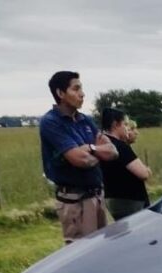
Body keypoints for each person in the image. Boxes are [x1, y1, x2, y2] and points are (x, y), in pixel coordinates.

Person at [39, 71, 119, 243]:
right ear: (60, 93)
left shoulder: (86, 120)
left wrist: (89, 148)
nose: (82, 94)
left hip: (97, 196)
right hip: (75, 201)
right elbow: (81, 160)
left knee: (102, 248)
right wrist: (97, 151)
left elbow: (113, 151)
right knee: (80, 253)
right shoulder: (51, 122)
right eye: (76, 89)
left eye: (81, 88)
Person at [100, 108, 152, 220]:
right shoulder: (120, 146)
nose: (127, 128)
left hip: (111, 197)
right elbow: (143, 173)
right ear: (115, 124)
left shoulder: (101, 145)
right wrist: (147, 170)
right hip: (130, 200)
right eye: (125, 124)